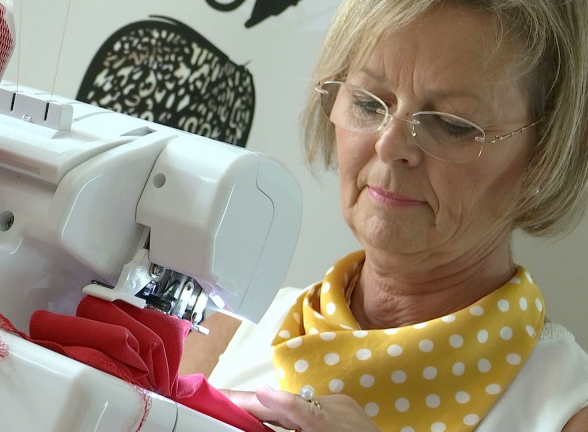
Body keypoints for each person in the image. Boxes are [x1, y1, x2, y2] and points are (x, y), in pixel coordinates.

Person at [203, 1, 588, 431]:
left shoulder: (567, 412)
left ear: (546, 155)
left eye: (452, 124)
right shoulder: (223, 336)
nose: (389, 145)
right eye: (368, 103)